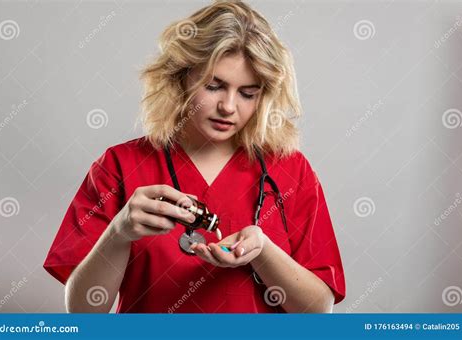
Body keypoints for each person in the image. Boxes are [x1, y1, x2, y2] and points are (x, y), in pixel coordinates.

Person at [43, 0, 345, 313]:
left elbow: (318, 310)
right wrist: (119, 234)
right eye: (214, 86)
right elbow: (82, 313)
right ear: (181, 77)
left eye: (247, 93)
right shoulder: (120, 166)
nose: (228, 106)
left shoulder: (291, 170)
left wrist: (262, 250)